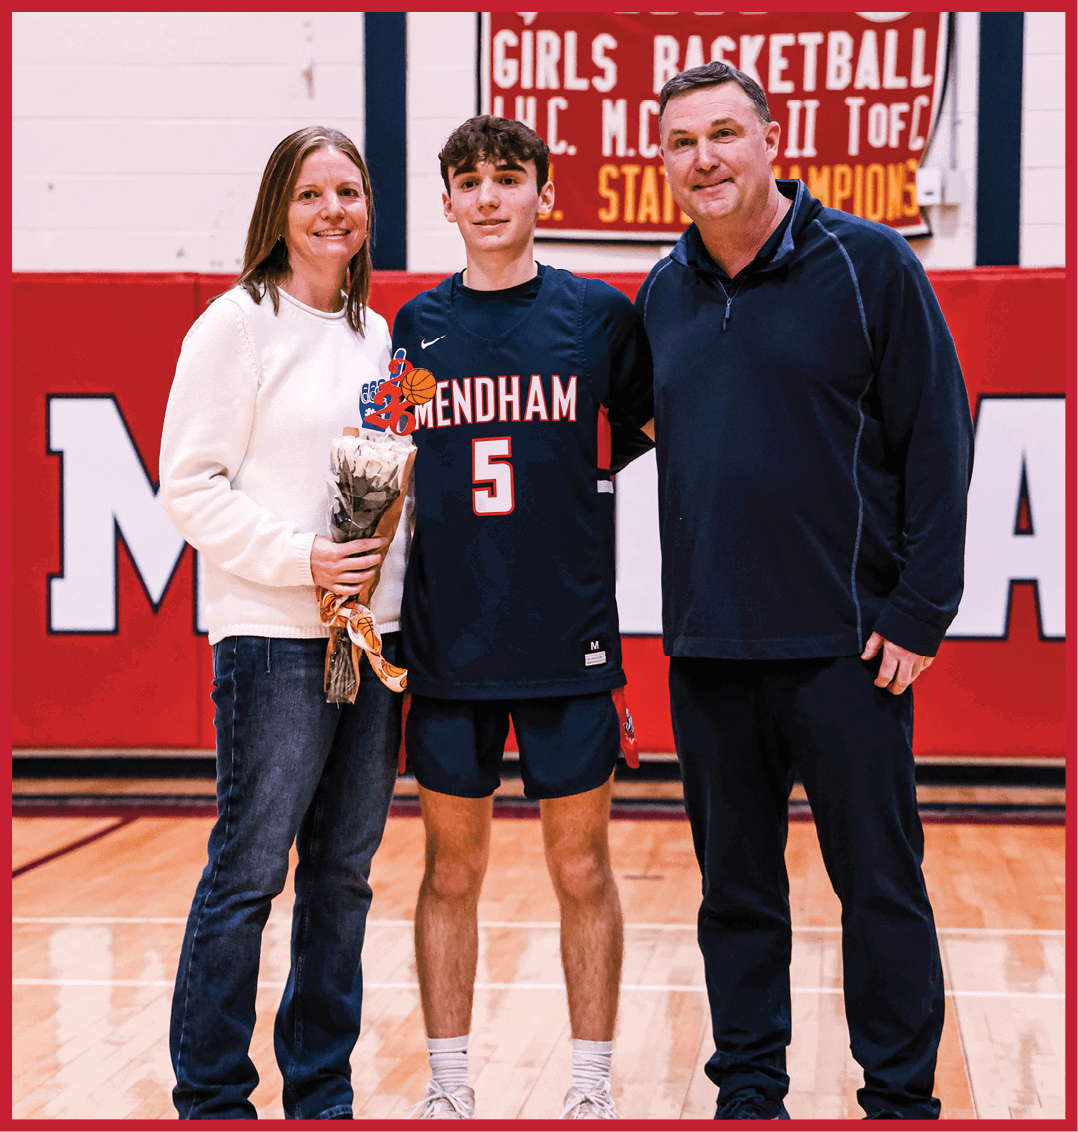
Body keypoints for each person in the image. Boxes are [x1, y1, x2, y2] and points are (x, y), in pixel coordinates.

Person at [634, 63, 974, 1120]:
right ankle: (749, 1092)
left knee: (877, 887)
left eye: (725, 133)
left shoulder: (866, 264)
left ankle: (901, 1096)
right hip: (708, 648)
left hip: (845, 645)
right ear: (664, 162)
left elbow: (939, 440)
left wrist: (919, 608)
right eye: (683, 142)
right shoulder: (660, 292)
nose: (706, 159)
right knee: (735, 898)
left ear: (771, 138)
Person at [390, 115, 654, 1120]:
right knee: (448, 869)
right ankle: (449, 1082)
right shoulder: (413, 328)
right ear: (447, 200)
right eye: (470, 181)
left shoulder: (596, 317)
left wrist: (575, 481)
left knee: (581, 864)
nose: (490, 197)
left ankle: (590, 1084)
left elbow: (639, 424)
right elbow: (384, 458)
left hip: (568, 637)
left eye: (509, 178)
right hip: (450, 642)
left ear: (545, 191)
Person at [159, 126, 409, 1119]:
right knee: (250, 872)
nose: (333, 210)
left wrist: (382, 603)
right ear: (280, 211)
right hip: (269, 641)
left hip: (365, 642)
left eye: (348, 191)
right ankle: (214, 1093)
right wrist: (299, 559)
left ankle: (321, 1090)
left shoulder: (378, 336)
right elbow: (189, 485)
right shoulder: (235, 325)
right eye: (311, 194)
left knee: (343, 879)